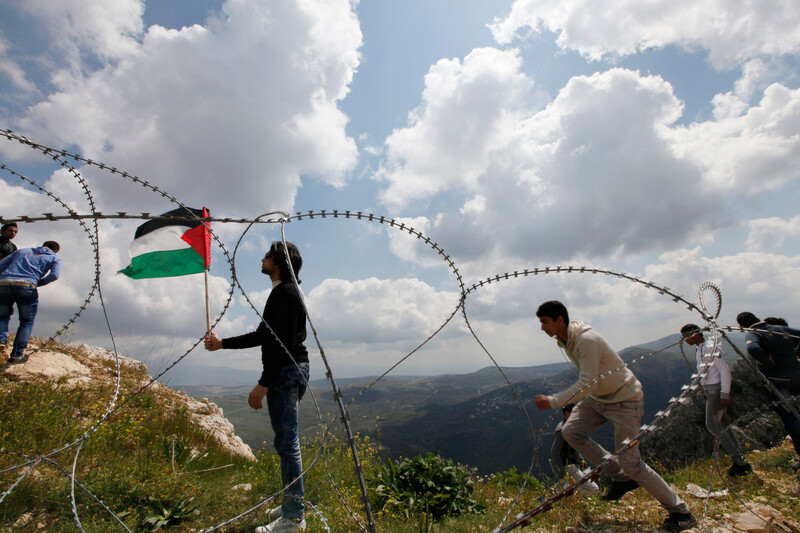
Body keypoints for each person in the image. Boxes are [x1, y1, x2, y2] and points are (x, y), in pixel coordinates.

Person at [534, 300, 695, 532]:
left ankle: (681, 511)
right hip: (599, 399)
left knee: (632, 462)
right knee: (570, 431)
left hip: (624, 399)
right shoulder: (564, 339)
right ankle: (620, 478)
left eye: (545, 322)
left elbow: (588, 382)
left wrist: (553, 401)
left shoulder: (585, 340)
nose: (542, 327)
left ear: (560, 320)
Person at [205, 242, 309, 533]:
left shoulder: (285, 293)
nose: (261, 259)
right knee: (285, 441)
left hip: (286, 372)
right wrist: (223, 343)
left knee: (288, 443)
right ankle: (293, 503)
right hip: (290, 370)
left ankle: (293, 517)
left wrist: (263, 383)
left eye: (266, 256)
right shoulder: (285, 292)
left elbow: (282, 344)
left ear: (277, 262)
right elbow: (266, 335)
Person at [680, 324, 751, 476]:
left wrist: (725, 394)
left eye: (685, 336)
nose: (684, 340)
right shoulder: (700, 348)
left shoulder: (710, 347)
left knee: (712, 425)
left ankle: (740, 461)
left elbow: (724, 370)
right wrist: (704, 388)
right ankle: (740, 459)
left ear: (694, 334)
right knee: (722, 424)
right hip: (710, 389)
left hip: (716, 390)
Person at [737, 311, 800, 465]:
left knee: (791, 417)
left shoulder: (755, 334)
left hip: (777, 381)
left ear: (742, 326)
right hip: (797, 375)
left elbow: (753, 350)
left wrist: (767, 363)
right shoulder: (777, 329)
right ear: (758, 318)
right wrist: (795, 353)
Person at [0, 241, 62, 364]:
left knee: (2, 315)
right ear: (55, 250)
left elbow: (1, 265)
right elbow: (55, 275)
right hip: (27, 286)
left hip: (4, 283)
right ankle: (16, 355)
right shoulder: (54, 258)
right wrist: (38, 282)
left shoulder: (22, 251)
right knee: (26, 321)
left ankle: (1, 339)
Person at [551, 403, 600, 493]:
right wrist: (562, 473)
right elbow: (555, 452)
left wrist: (581, 460)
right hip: (568, 466)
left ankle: (555, 493)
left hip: (575, 465)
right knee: (594, 489)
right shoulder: (561, 430)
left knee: (578, 489)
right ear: (567, 414)